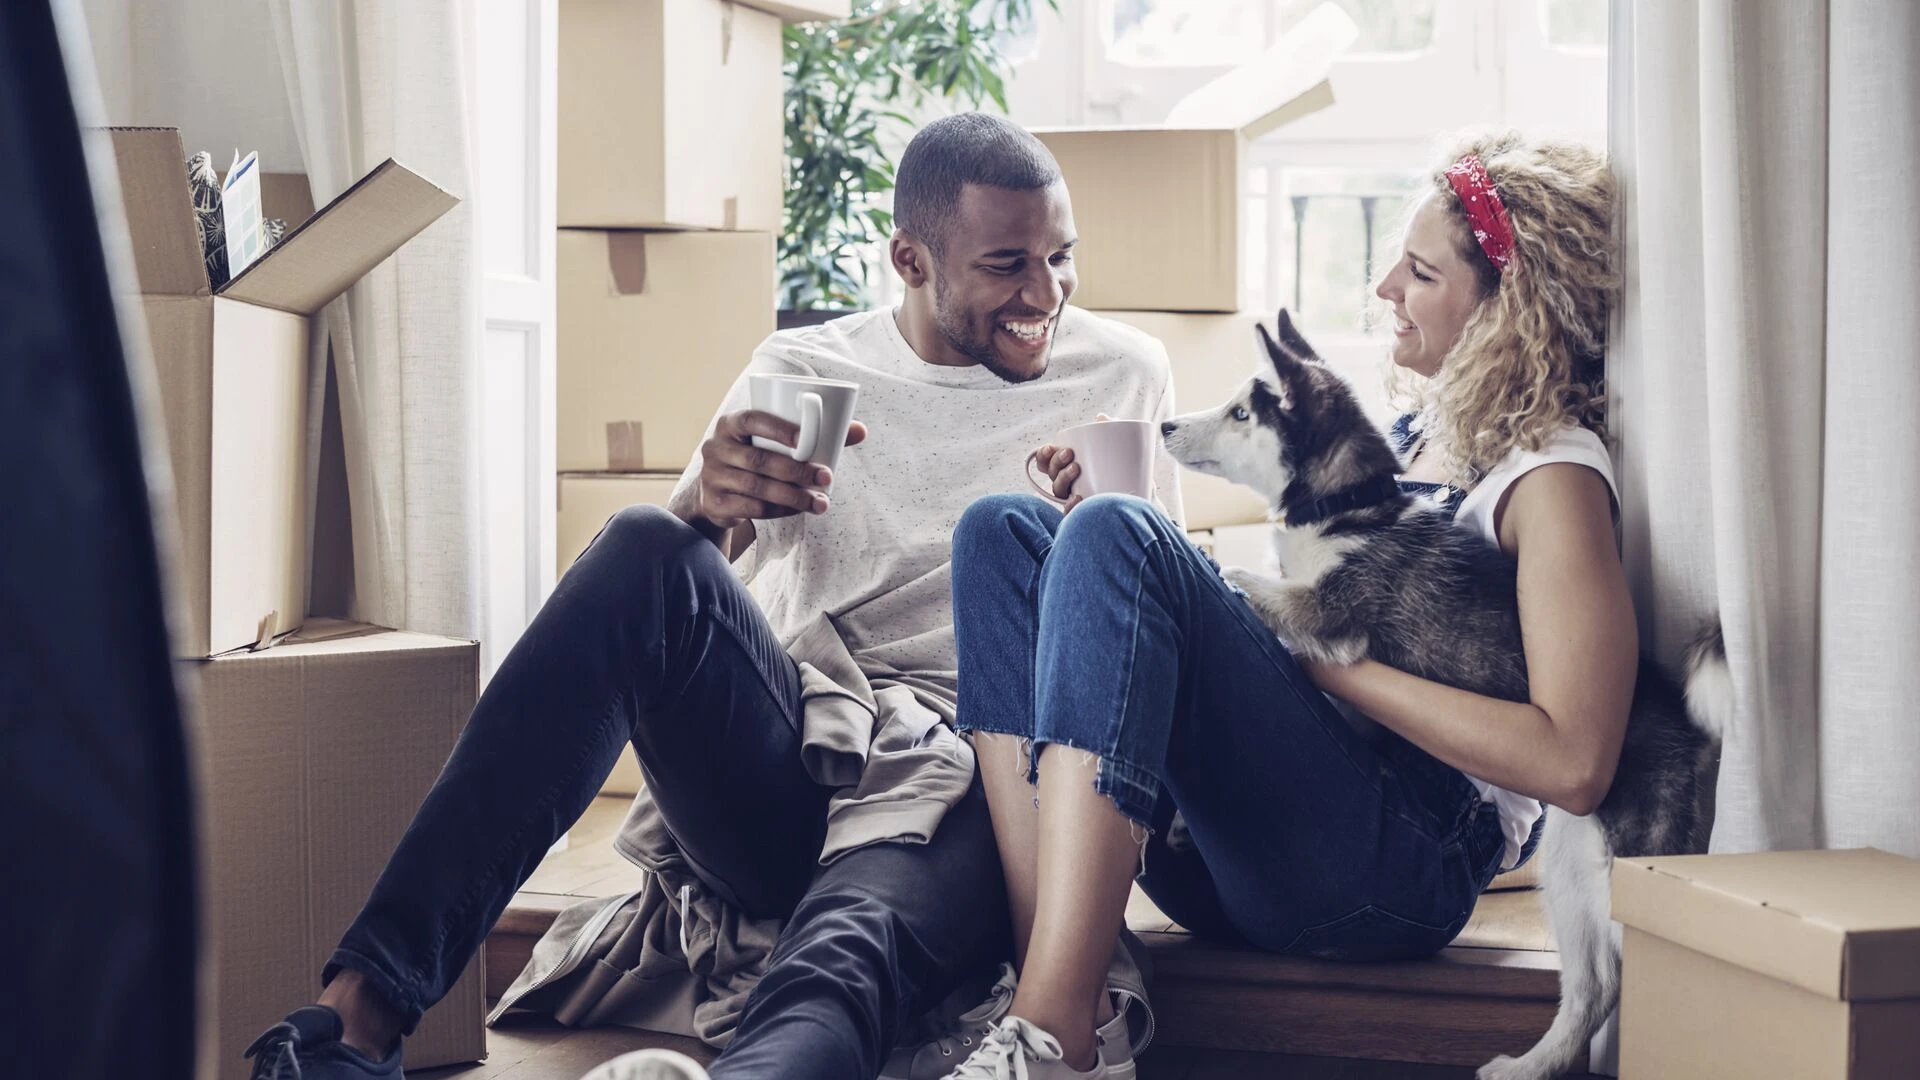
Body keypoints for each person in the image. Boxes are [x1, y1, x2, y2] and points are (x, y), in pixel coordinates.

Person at [239, 112, 1181, 1080]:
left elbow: (1141, 637)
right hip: (801, 762)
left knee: (843, 951)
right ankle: (356, 1016)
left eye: (1061, 257)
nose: (1046, 293)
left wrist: (1094, 529)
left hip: (980, 784)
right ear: (909, 258)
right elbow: (685, 585)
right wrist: (705, 505)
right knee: (647, 542)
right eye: (1008, 264)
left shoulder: (1121, 374)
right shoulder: (807, 372)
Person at [940, 130, 1626, 1079]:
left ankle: (1051, 1034)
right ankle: (1066, 1005)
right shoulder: (1413, 439)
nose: (1385, 287)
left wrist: (1318, 651)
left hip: (1396, 861)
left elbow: (1576, 763)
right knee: (1003, 533)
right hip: (1238, 851)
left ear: (1514, 312)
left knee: (1115, 535)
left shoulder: (1549, 476)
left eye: (1420, 273)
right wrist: (1105, 572)